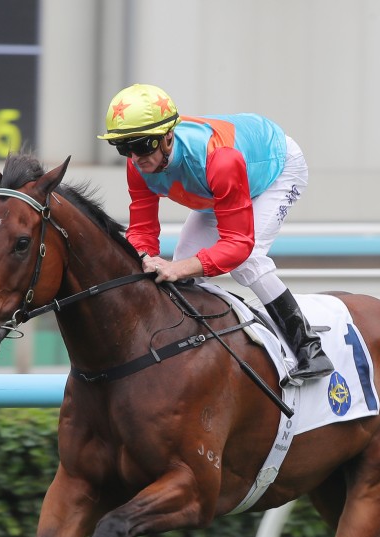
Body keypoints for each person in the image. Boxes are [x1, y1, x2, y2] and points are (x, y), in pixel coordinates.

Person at [97, 83, 332, 384]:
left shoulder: (219, 159)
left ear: (168, 137)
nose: (135, 157)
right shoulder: (137, 165)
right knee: (182, 276)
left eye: (142, 145)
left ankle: (308, 348)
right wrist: (144, 256)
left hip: (276, 171)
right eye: (124, 148)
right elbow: (142, 230)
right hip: (216, 190)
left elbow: (238, 246)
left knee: (247, 262)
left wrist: (176, 267)